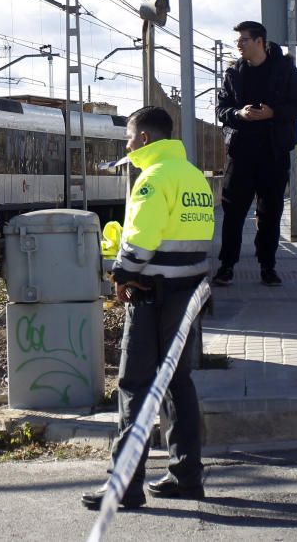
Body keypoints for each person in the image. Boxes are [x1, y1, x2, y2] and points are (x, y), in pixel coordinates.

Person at [81, 106, 213, 510]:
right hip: (189, 292)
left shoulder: (152, 180)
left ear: (145, 140)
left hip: (152, 293)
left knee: (135, 386)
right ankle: (186, 475)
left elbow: (140, 240)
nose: (126, 144)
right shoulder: (193, 177)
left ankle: (124, 485)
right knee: (178, 383)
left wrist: (121, 274)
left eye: (129, 137)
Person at [213, 21, 297, 287]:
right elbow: (221, 110)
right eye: (238, 41)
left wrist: (273, 112)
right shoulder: (233, 73)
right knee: (233, 212)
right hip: (241, 153)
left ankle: (268, 266)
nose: (239, 45)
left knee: (270, 213)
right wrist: (238, 114)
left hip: (273, 153)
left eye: (244, 40)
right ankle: (227, 265)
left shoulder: (285, 70)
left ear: (259, 42)